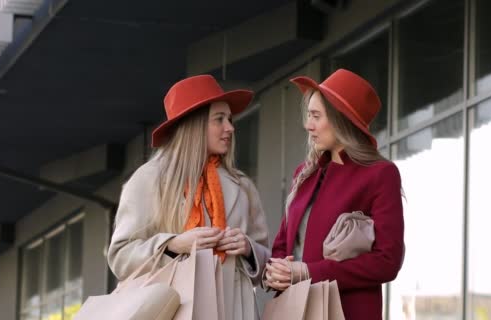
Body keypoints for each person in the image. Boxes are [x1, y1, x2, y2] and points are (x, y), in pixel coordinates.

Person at [108, 74, 270, 320]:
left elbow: (266, 265)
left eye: (229, 119)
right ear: (194, 124)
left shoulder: (243, 185)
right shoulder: (149, 179)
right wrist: (174, 244)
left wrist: (249, 249)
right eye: (219, 119)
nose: (230, 127)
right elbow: (121, 257)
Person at [264, 69, 404, 320]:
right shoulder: (304, 174)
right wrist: (274, 273)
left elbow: (387, 261)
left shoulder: (381, 174)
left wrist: (308, 272)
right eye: (309, 115)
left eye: (316, 116)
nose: (309, 125)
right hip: (294, 310)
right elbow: (282, 246)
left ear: (341, 119)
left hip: (348, 311)